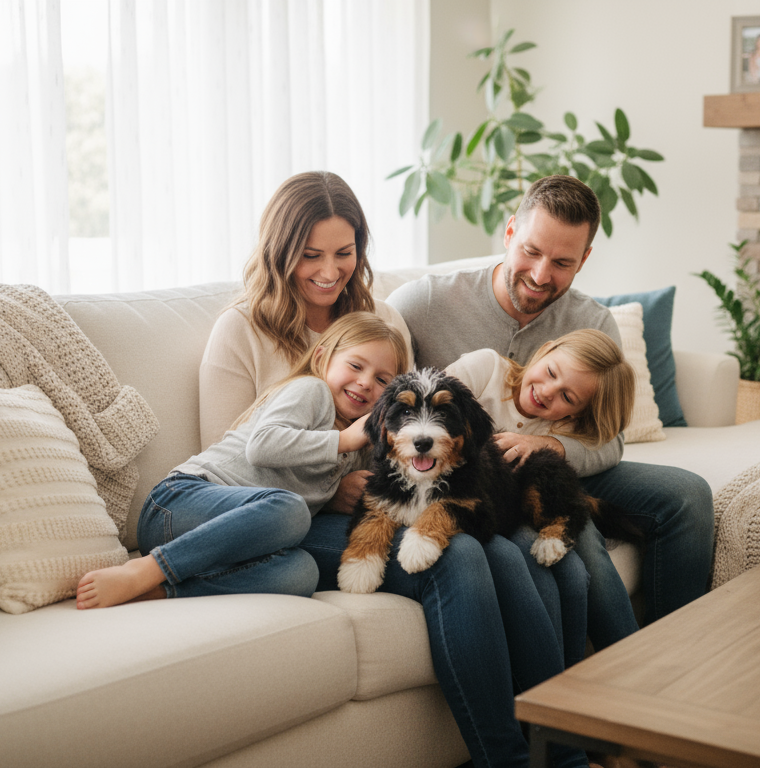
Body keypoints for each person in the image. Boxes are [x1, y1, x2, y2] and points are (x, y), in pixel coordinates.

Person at [198, 171, 593, 768]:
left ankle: (566, 751)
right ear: (279, 252)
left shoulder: (382, 316)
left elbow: (408, 415)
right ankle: (508, 760)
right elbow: (235, 462)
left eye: (344, 252)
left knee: (510, 555)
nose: (329, 271)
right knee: (458, 556)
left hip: (390, 493)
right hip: (299, 515)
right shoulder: (240, 331)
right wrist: (334, 491)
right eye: (310, 255)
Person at [387, 174, 716, 629]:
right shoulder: (423, 303)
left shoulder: (593, 322)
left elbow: (610, 441)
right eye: (531, 251)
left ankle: (675, 648)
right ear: (509, 233)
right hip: (470, 481)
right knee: (584, 551)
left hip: (553, 465)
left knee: (687, 494)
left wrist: (555, 449)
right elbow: (372, 386)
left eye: (562, 262)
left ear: (584, 259)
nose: (542, 276)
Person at [74, 311, 408, 609]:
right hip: (177, 504)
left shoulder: (356, 448)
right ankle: (145, 569)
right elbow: (262, 446)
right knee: (291, 511)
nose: (365, 383)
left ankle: (162, 590)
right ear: (323, 357)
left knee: (302, 572)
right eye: (355, 365)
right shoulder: (312, 392)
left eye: (383, 380)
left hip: (217, 542)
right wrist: (345, 439)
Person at [444, 328, 641, 666]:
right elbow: (428, 410)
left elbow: (607, 446)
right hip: (467, 506)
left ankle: (578, 674)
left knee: (576, 577)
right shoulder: (485, 368)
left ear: (576, 414)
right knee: (533, 567)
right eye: (550, 372)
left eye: (567, 397)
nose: (547, 392)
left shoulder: (557, 432)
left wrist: (549, 446)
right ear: (545, 350)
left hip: (516, 511)